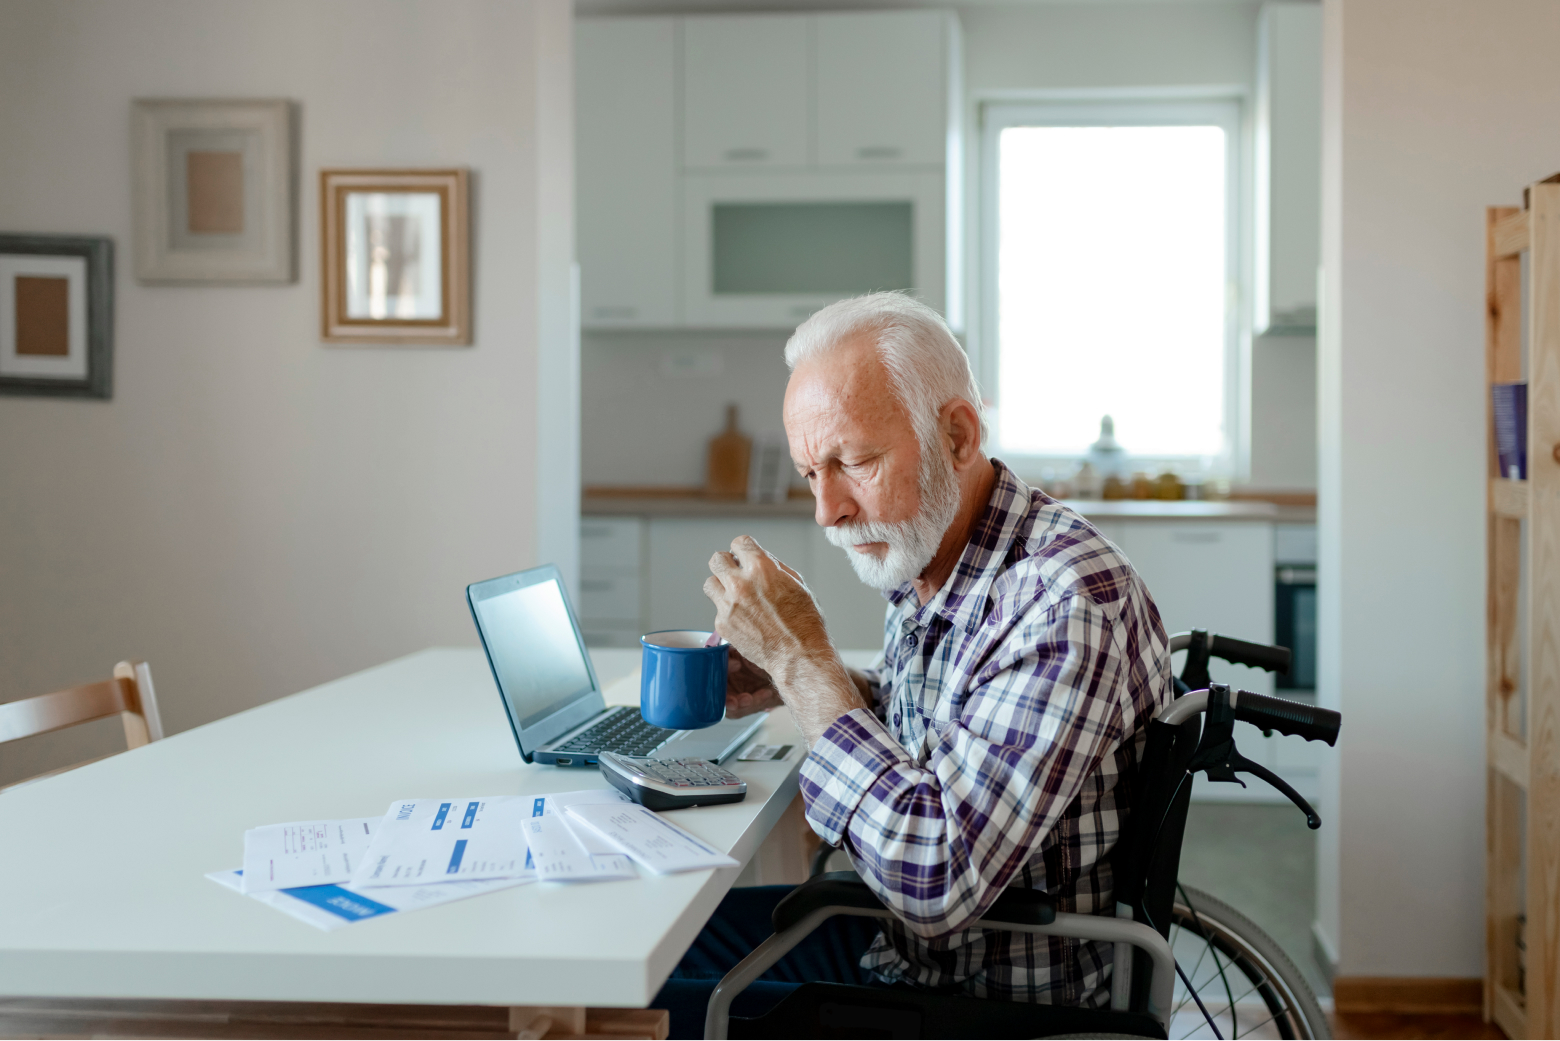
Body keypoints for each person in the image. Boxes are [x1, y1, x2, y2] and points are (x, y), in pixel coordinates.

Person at [652, 292, 1172, 1038]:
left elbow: (935, 873)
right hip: (909, 950)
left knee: (651, 999)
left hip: (980, 999)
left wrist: (806, 664)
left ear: (957, 434)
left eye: (854, 462)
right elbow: (946, 722)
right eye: (810, 474)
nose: (827, 510)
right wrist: (794, 676)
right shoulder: (937, 550)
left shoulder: (1062, 599)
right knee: (668, 930)